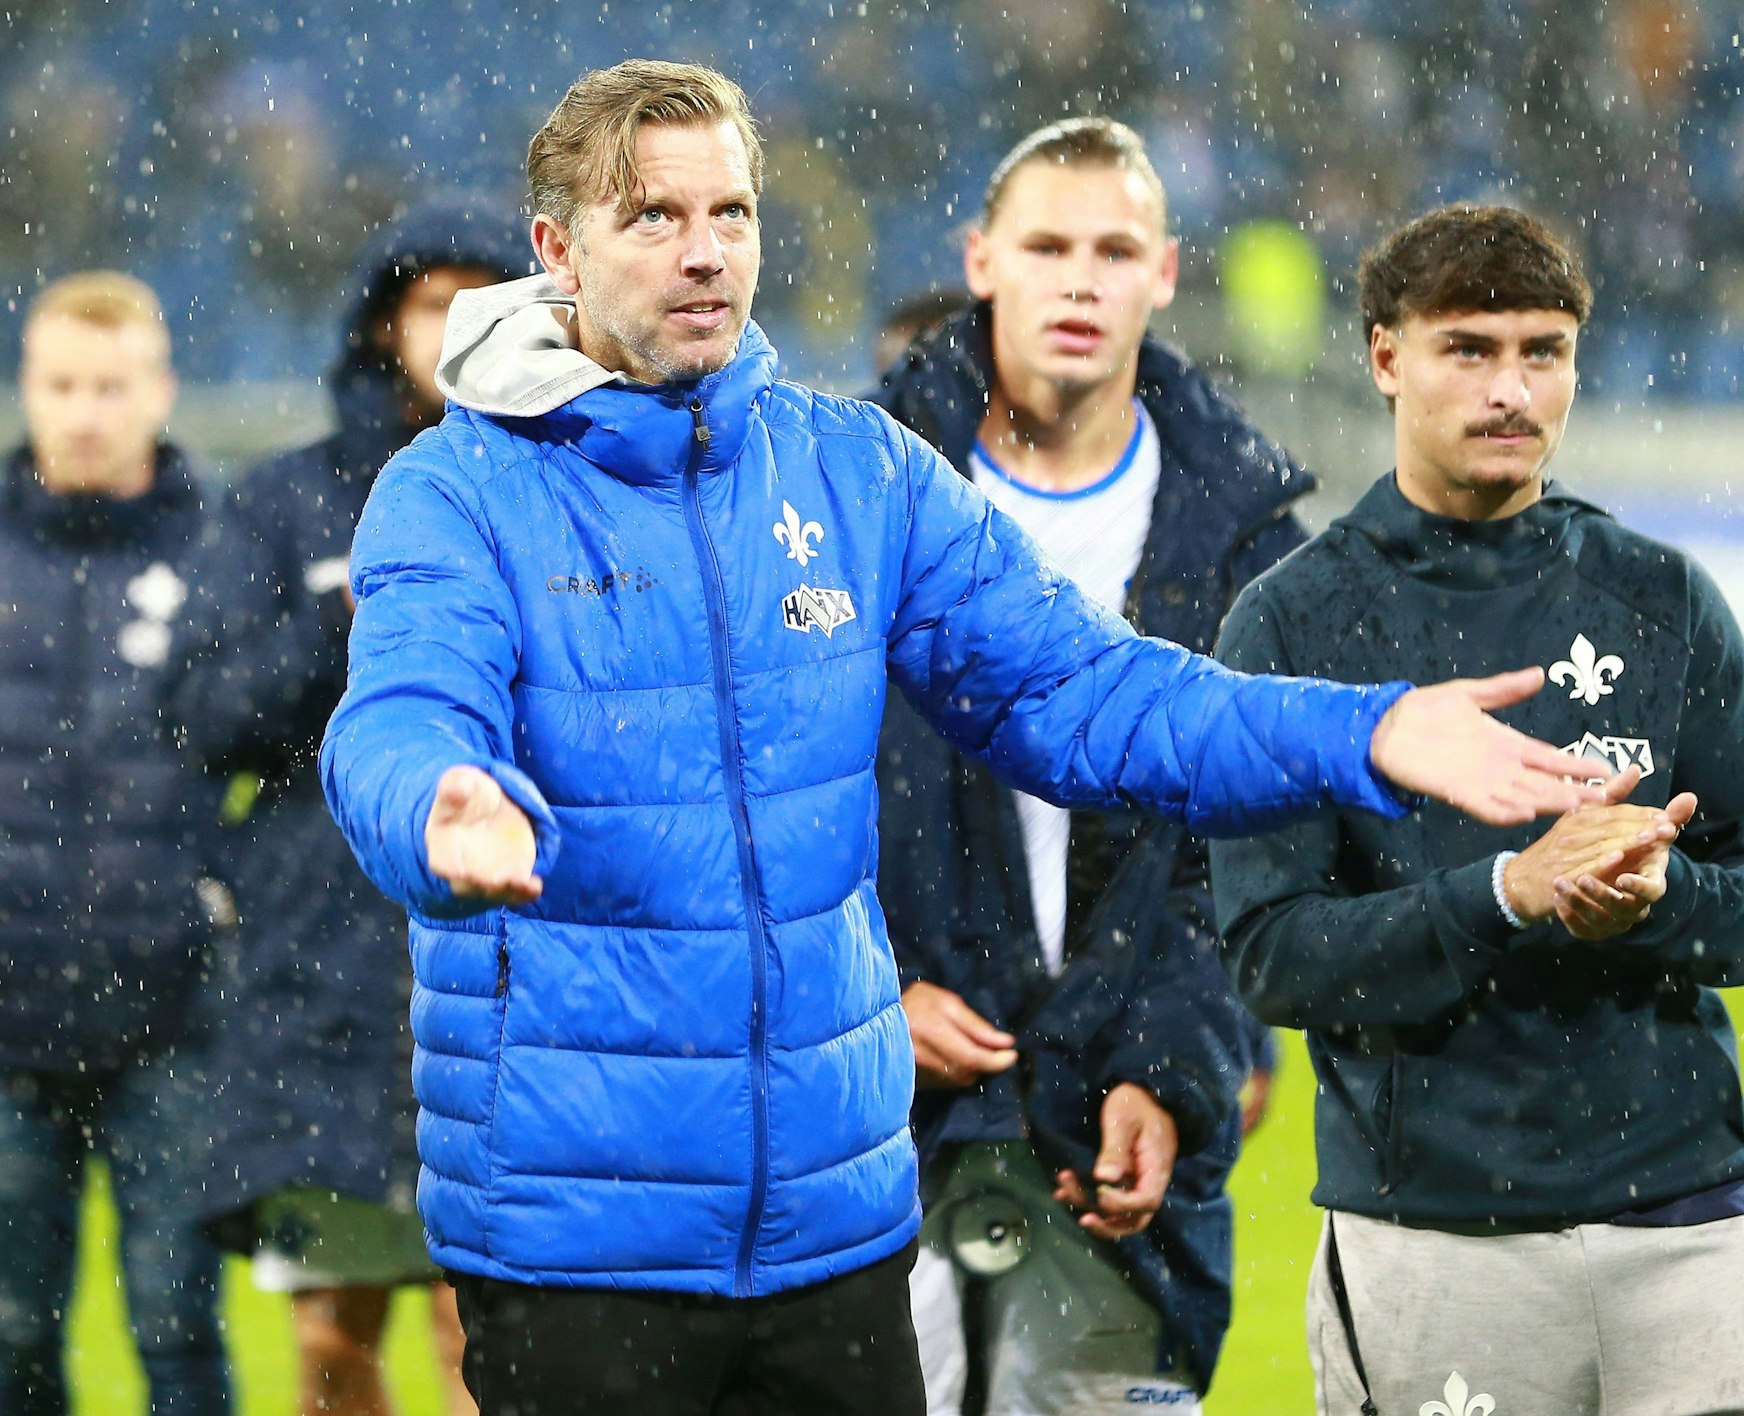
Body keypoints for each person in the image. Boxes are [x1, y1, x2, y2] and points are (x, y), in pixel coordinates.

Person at [317, 61, 1620, 1416]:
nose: (705, 253)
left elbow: (1092, 695)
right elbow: (403, 713)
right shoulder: (456, 489)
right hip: (580, 1243)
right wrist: (440, 802)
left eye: (733, 213)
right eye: (651, 217)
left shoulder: (852, 471)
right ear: (555, 250)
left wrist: (1371, 728)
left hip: (836, 1235)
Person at [1210, 204, 1744, 1414]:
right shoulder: (1293, 628)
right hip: (1437, 1233)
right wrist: (1506, 895)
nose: (1511, 388)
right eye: (1469, 349)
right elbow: (1271, 956)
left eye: (1541, 351)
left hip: (1690, 1222)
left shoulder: (1663, 601)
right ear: (1385, 356)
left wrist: (1657, 905)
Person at [870, 116, 1296, 1414]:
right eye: (1046, 244)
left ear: (1164, 273)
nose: (1078, 278)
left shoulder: (1248, 540)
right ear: (981, 258)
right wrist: (862, 995)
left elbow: (1252, 858)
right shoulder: (846, 495)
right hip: (878, 1135)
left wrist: (1170, 1072)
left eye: (1113, 249)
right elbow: (761, 797)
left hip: (1116, 1158)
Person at [0, 273, 234, 1415]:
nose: (83, 412)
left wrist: (226, 895)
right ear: (26, 389)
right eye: (61, 384)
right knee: (17, 1335)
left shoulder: (226, 560)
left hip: (177, 1018)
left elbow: (305, 751)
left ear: (158, 391)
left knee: (179, 1329)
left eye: (109, 387)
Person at [173, 201, 526, 1416]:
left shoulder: (557, 482)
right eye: (435, 300)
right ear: (387, 323)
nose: (458, 324)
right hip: (321, 976)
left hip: (504, 962)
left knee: (484, 1330)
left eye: (487, 296)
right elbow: (202, 715)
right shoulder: (282, 505)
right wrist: (338, 630)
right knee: (330, 1340)